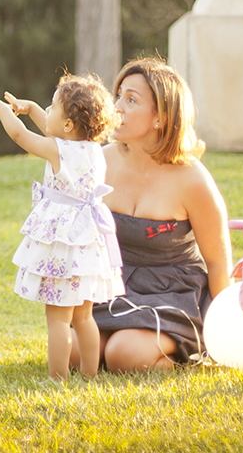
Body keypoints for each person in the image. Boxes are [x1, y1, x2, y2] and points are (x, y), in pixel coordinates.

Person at [0, 74, 124, 381]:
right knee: (84, 317)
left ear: (68, 125)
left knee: (58, 319)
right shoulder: (93, 150)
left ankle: (57, 379)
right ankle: (89, 375)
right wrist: (30, 107)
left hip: (64, 243)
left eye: (52, 107)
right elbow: (49, 126)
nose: (47, 110)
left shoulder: (59, 150)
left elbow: (21, 137)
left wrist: (5, 113)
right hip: (86, 245)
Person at [92, 57, 232, 371]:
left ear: (160, 118)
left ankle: (179, 353)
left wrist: (223, 336)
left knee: (122, 355)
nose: (117, 108)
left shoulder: (192, 180)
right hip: (114, 285)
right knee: (74, 352)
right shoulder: (100, 162)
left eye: (131, 100)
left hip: (172, 292)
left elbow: (218, 263)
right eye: (118, 96)